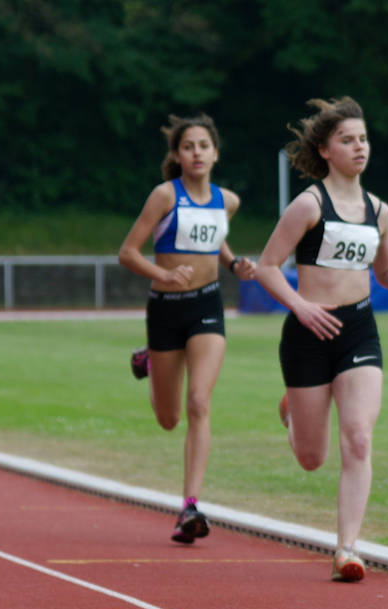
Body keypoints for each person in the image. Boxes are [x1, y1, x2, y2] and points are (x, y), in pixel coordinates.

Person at [254, 97, 388, 582]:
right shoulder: (308, 205)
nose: (359, 147)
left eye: (363, 139)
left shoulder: (380, 211)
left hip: (357, 328)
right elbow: (267, 267)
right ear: (326, 150)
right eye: (348, 140)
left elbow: (386, 270)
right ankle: (292, 411)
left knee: (358, 437)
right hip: (308, 331)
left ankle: (347, 548)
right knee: (312, 459)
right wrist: (300, 305)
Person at [118, 113, 256, 544]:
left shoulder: (227, 200)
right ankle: (149, 358)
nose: (197, 153)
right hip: (165, 309)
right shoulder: (164, 196)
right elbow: (127, 252)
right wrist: (159, 275)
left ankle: (189, 506)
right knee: (168, 417)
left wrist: (233, 264)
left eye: (204, 146)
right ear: (177, 155)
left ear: (215, 153)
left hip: (206, 306)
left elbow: (213, 239)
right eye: (188, 146)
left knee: (199, 401)